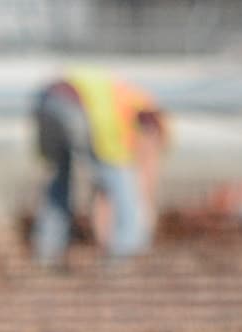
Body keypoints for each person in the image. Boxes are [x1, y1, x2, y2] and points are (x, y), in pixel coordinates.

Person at [31, 66, 168, 270]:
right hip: (71, 107)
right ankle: (126, 248)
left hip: (44, 101)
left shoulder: (115, 91)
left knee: (60, 177)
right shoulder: (127, 103)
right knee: (120, 182)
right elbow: (111, 151)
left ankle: (48, 247)